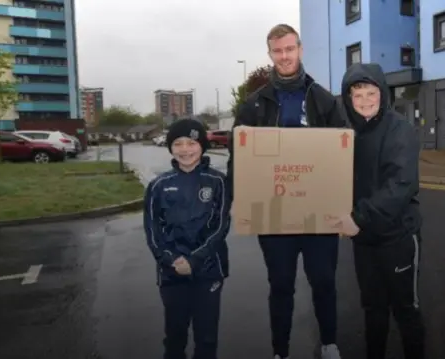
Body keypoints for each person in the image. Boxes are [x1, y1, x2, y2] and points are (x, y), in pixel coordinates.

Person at [226, 24, 346, 359]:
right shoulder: (254, 104)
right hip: (274, 213)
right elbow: (240, 158)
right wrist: (241, 200)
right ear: (270, 55)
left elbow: (341, 153)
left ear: (300, 49)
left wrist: (342, 204)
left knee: (323, 282)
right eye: (277, 51)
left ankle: (329, 343)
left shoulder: (323, 99)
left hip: (318, 212)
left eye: (289, 49)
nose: (284, 56)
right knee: (280, 285)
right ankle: (281, 350)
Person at [328, 63, 426, 359]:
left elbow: (402, 185)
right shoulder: (347, 136)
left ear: (383, 93)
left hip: (397, 238)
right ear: (348, 100)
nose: (365, 101)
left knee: (405, 309)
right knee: (373, 309)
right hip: (365, 241)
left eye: (371, 93)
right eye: (357, 96)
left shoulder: (400, 130)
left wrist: (357, 218)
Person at [144, 118, 231, 359]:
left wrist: (194, 260)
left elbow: (220, 227)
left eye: (191, 143)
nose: (185, 150)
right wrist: (170, 260)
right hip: (171, 272)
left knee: (206, 337)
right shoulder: (158, 185)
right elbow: (152, 231)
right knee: (175, 336)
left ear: (202, 145)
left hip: (208, 271)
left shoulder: (218, 182)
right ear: (170, 148)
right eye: (178, 143)